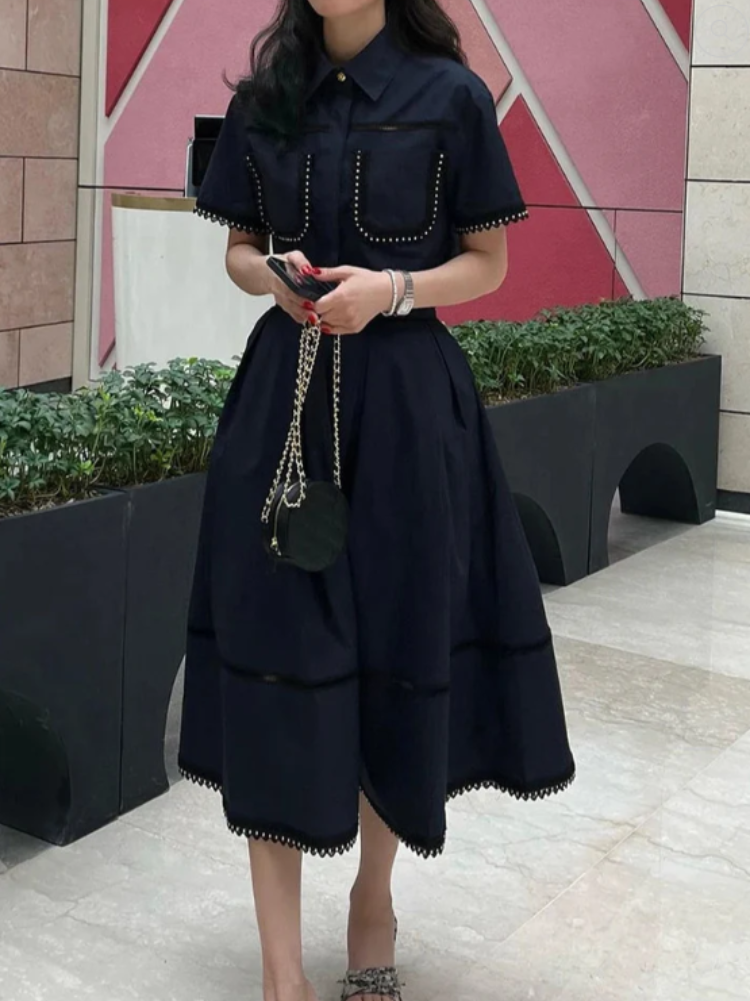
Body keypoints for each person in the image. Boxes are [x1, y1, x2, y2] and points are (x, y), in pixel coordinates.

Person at [179, 1, 575, 1000]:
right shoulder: (268, 96)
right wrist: (275, 280)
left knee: (399, 648)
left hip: (407, 407)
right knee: (273, 658)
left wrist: (392, 290)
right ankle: (281, 974)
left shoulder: (451, 97)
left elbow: (488, 263)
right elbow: (238, 247)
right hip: (283, 401)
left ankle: (372, 904)